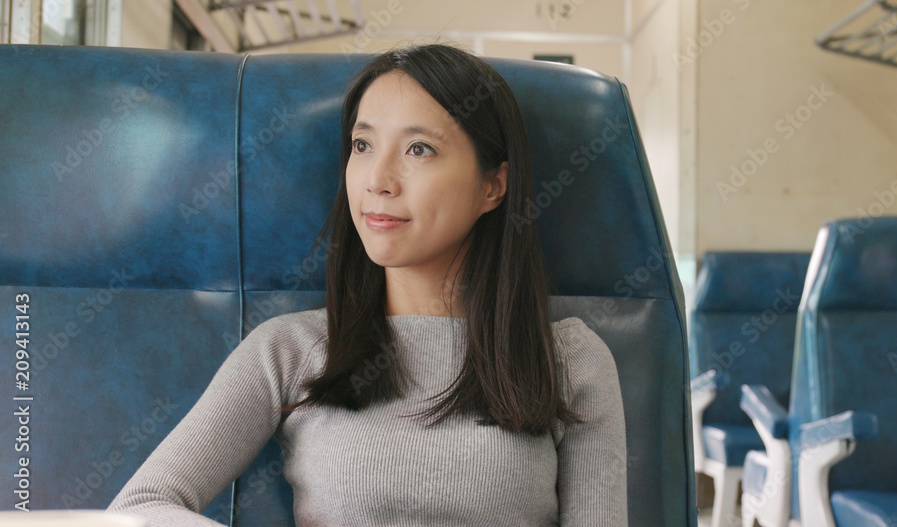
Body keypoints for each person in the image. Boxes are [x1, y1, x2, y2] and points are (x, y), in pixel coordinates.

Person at [107, 42, 628, 526]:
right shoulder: (290, 351)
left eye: (419, 149)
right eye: (362, 144)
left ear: (493, 185)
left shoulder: (569, 361)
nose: (377, 179)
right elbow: (142, 508)